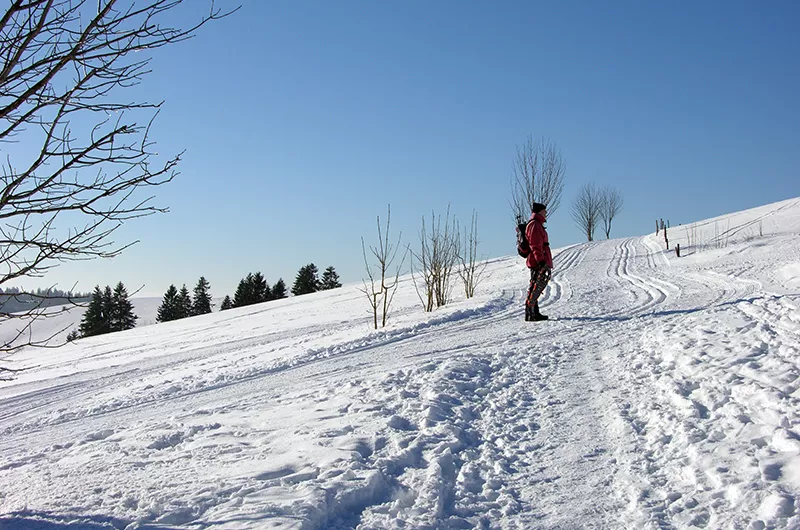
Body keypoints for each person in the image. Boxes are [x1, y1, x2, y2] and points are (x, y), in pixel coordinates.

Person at [525, 202, 553, 321]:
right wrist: (541, 260)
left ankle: (533, 312)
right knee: (536, 286)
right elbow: (535, 245)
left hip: (537, 259)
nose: (546, 213)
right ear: (540, 211)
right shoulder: (535, 225)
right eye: (544, 211)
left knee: (536, 285)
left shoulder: (537, 224)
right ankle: (531, 313)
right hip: (537, 261)